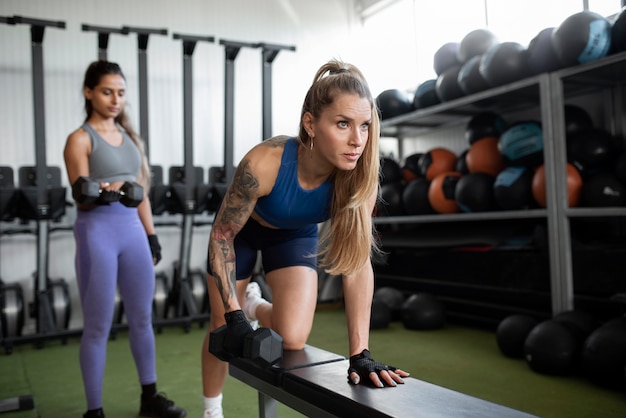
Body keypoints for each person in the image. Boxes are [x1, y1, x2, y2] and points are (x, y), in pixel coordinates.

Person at [201, 59, 410, 418]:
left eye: (364, 126)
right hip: (243, 234)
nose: (357, 140)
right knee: (221, 326)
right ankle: (211, 409)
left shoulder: (357, 178)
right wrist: (234, 316)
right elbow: (222, 236)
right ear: (311, 124)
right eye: (343, 124)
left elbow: (357, 265)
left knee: (293, 337)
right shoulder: (264, 162)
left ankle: (255, 304)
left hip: (293, 235)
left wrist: (359, 354)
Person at [64, 60, 186, 418]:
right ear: (89, 92)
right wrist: (111, 190)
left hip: (133, 232)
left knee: (142, 319)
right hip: (96, 232)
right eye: (107, 91)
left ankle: (149, 399)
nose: (115, 99)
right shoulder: (80, 139)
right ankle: (94, 411)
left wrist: (151, 236)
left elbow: (141, 193)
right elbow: (82, 194)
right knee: (98, 325)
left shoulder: (130, 139)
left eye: (120, 92)